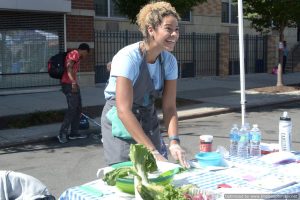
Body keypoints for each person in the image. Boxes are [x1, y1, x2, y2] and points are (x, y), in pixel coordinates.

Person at [101, 1, 189, 168]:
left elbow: (169, 107)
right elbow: (123, 110)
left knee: (158, 171)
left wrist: (174, 141)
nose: (175, 34)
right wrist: (152, 150)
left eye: (177, 29)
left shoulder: (169, 61)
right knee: (128, 174)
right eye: (168, 29)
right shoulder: (128, 57)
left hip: (147, 116)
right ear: (151, 30)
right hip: (122, 119)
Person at [57, 43, 90, 144]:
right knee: (72, 109)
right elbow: (69, 67)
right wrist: (73, 82)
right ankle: (62, 133)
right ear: (84, 50)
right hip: (69, 84)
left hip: (72, 84)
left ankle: (74, 133)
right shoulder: (75, 53)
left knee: (78, 109)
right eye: (87, 54)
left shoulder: (77, 57)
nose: (86, 56)